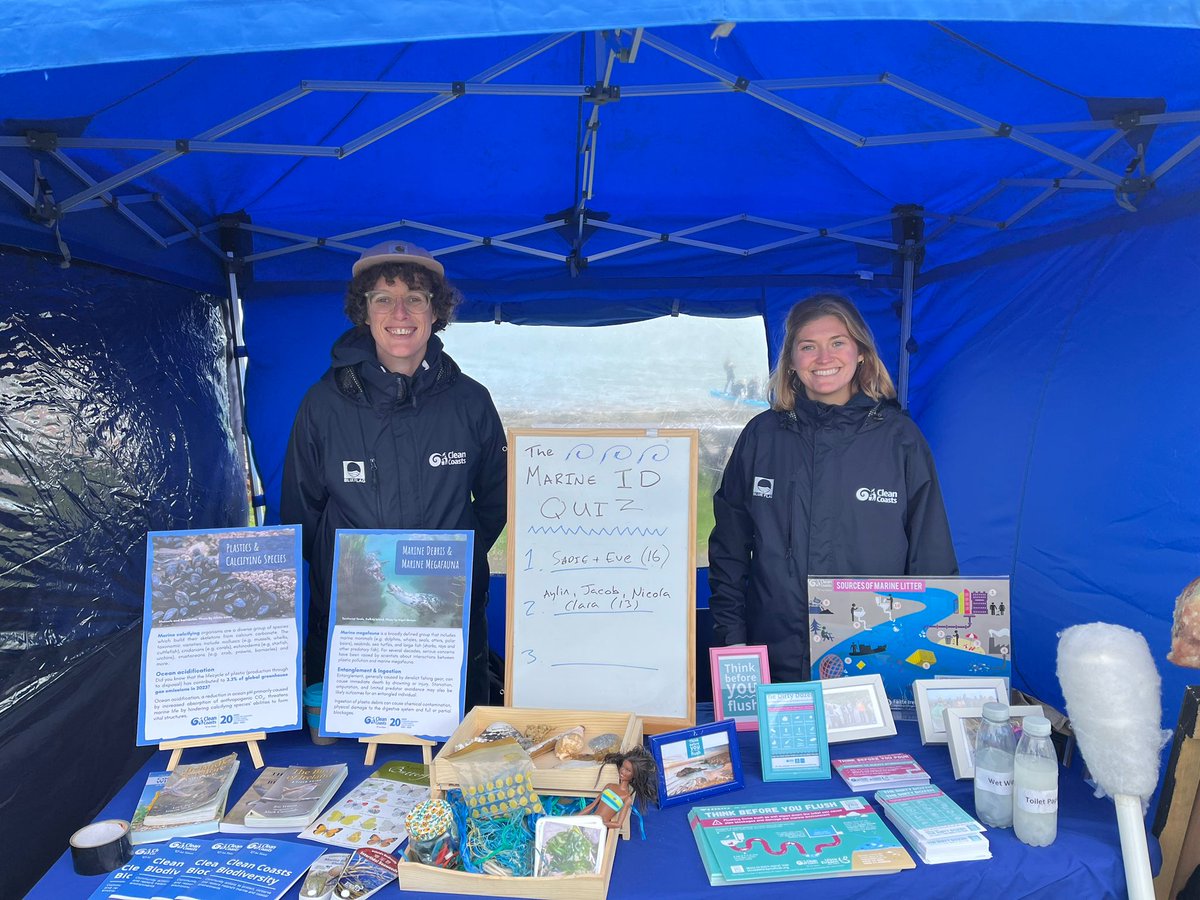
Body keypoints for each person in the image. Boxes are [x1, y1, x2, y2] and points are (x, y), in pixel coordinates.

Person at [280, 240, 507, 710]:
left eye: (416, 298)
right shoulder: (323, 404)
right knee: (366, 765)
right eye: (383, 297)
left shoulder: (471, 401)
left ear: (435, 312)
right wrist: (351, 575)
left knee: (454, 757)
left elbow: (495, 501)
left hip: (449, 614)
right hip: (353, 620)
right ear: (364, 311)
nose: (399, 311)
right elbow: (300, 513)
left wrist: (446, 564)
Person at [708, 293, 957, 682]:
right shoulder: (762, 436)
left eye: (837, 343)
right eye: (808, 347)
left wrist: (929, 660)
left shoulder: (900, 439)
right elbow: (729, 548)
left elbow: (932, 557)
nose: (824, 359)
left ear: (860, 352)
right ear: (791, 360)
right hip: (776, 658)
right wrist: (733, 639)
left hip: (876, 661)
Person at [578, 746, 658, 830]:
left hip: (599, 828)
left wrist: (602, 823)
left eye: (628, 770)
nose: (622, 771)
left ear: (634, 775)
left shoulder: (627, 798)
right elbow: (592, 805)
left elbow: (618, 824)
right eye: (623, 767)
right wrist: (576, 819)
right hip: (590, 820)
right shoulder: (609, 786)